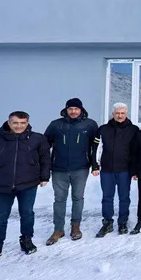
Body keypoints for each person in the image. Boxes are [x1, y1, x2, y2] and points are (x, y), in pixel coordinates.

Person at [0, 111, 50, 266]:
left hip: (28, 184)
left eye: (22, 123)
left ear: (27, 123)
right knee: (0, 219)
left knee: (27, 214)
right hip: (1, 185)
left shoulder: (37, 139)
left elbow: (45, 159)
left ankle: (26, 240)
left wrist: (44, 177)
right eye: (15, 123)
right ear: (9, 123)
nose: (19, 126)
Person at [44, 98, 98, 245]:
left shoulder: (90, 125)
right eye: (70, 109)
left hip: (80, 168)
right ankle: (58, 229)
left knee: (78, 197)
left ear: (81, 110)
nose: (73, 111)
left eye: (76, 109)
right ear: (66, 110)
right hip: (59, 169)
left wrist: (94, 165)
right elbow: (44, 146)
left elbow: (95, 147)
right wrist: (45, 166)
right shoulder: (56, 125)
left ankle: (75, 227)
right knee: (59, 199)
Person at [93, 103, 139, 237]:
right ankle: (107, 222)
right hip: (107, 170)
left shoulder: (133, 130)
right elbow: (95, 148)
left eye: (122, 113)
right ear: (113, 114)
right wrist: (95, 165)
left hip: (125, 170)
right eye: (117, 113)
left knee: (124, 197)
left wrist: (135, 169)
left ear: (126, 114)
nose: (120, 115)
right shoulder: (103, 129)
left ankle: (123, 222)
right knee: (107, 197)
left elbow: (136, 151)